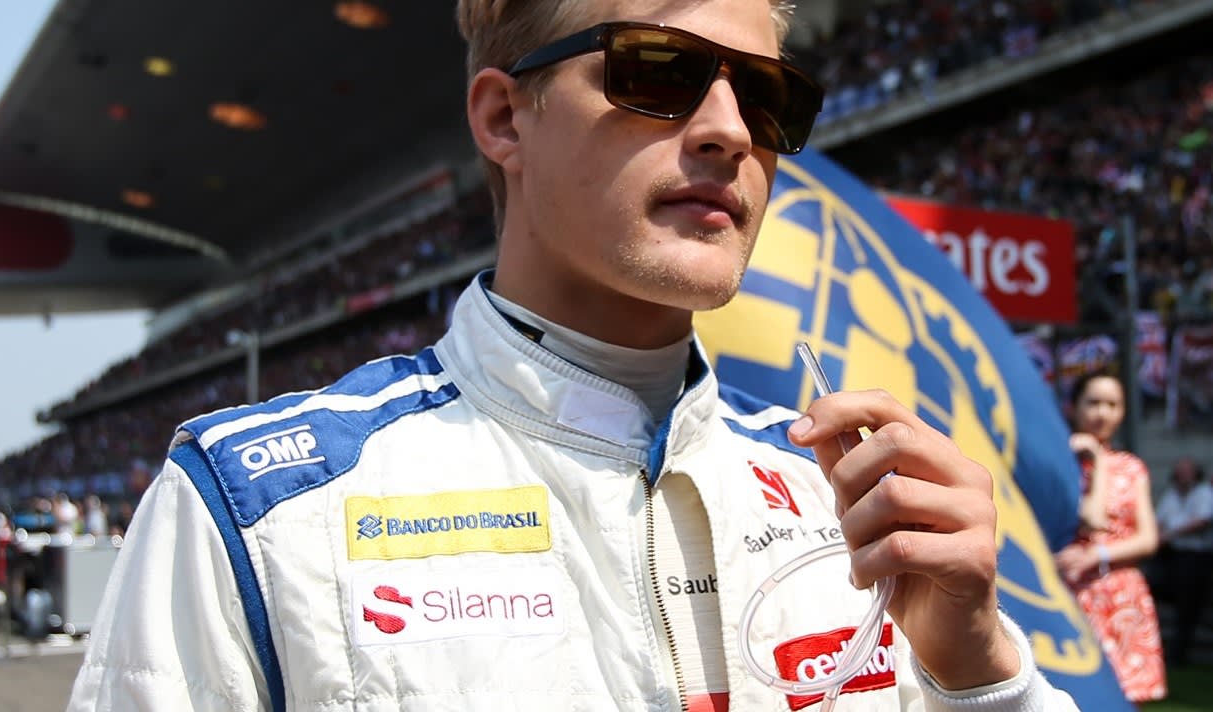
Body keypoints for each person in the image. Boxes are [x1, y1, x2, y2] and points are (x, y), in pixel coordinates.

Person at [69, 1, 1078, 709]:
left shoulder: (851, 503)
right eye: (660, 72)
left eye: (768, 98)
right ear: (507, 117)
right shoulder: (258, 512)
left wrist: (980, 665)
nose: (730, 130)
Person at [1054, 371, 1166, 703]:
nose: (1103, 413)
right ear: (1073, 407)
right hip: (1074, 593)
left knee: (1128, 696)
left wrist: (1098, 554)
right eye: (1094, 402)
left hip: (1122, 596)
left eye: (1112, 404)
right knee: (1074, 698)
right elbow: (1092, 519)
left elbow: (1147, 539)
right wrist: (1093, 462)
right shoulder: (1059, 464)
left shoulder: (1132, 467)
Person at [1150, 456, 1213, 667]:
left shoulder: (1204, 493)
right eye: (1180, 471)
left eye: (1187, 471)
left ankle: (1178, 654)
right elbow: (1158, 521)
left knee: (1188, 605)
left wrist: (1169, 535)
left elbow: (1203, 521)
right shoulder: (1171, 495)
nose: (1183, 476)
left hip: (1196, 558)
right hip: (1172, 557)